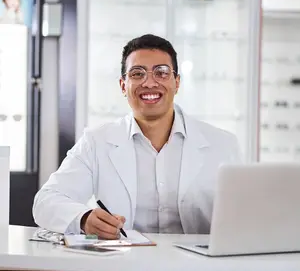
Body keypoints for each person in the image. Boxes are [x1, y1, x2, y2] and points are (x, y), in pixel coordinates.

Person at [33, 34, 241, 239]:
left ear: (177, 83)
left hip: (198, 267)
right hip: (125, 265)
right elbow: (46, 201)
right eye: (137, 74)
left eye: (161, 72)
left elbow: (245, 214)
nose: (150, 83)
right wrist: (83, 218)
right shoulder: (96, 142)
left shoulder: (222, 144)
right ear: (123, 85)